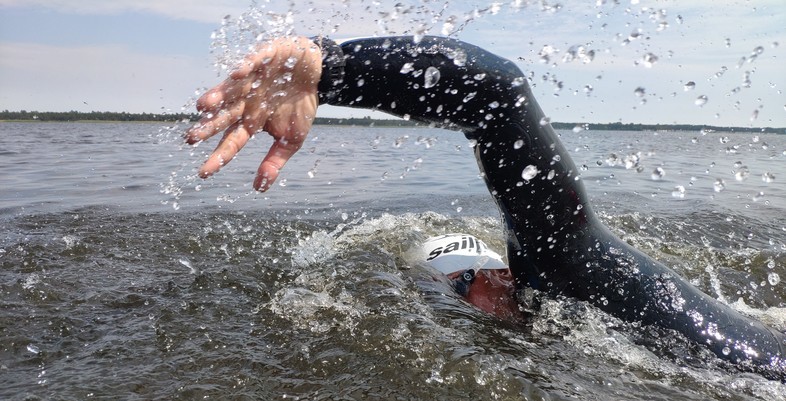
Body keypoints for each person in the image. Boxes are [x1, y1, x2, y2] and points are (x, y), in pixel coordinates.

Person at [185, 35, 786, 380]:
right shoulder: (651, 321)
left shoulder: (580, 287)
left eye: (469, 282)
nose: (477, 289)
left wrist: (332, 69)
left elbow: (496, 93)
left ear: (497, 285)